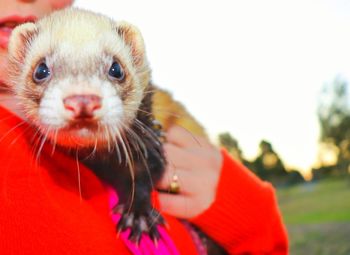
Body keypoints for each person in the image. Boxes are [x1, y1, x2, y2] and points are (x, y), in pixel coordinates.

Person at [0, 0, 288, 254]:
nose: (83, 100)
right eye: (43, 72)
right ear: (20, 59)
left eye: (115, 72)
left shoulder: (164, 139)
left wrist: (243, 207)